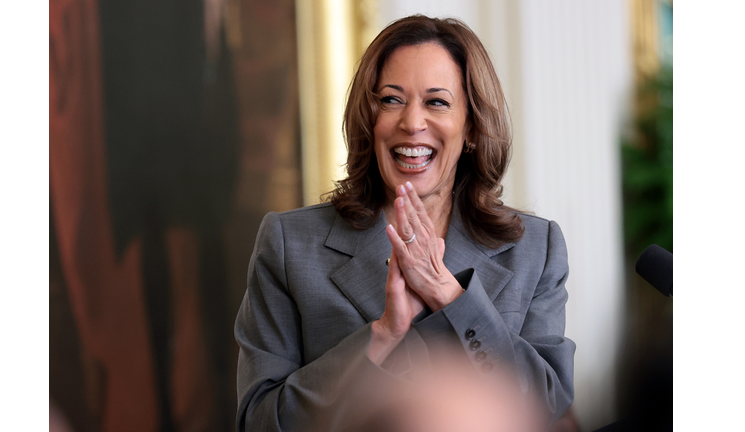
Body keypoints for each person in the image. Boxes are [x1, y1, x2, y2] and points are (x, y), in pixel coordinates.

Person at [235, 15, 575, 432]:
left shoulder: (535, 249)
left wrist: (451, 296)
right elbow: (260, 422)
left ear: (470, 126)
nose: (412, 123)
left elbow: (546, 408)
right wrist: (381, 335)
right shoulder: (289, 244)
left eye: (437, 102)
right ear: (369, 119)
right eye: (392, 100)